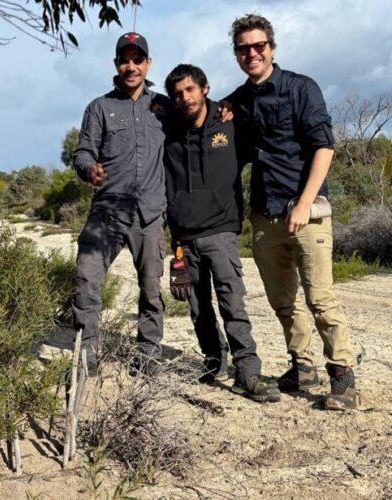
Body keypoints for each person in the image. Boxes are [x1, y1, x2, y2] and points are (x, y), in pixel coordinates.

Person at [227, 14, 357, 410]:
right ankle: (302, 366)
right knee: (283, 301)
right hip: (266, 215)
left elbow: (324, 147)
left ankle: (343, 375)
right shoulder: (238, 101)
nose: (252, 53)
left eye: (259, 45)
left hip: (308, 211)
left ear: (271, 47)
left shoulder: (301, 88)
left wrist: (303, 204)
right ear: (237, 54)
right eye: (244, 48)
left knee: (320, 298)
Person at [163, 64, 281, 403]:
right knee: (198, 307)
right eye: (178, 94)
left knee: (232, 303)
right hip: (184, 237)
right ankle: (214, 362)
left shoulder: (231, 124)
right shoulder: (169, 128)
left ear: (204, 88)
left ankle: (248, 373)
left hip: (221, 232)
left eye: (190, 90)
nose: (185, 98)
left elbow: (264, 140)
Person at [73, 32, 171, 372]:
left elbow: (195, 125)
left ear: (148, 63)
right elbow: (84, 150)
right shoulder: (99, 107)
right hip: (106, 213)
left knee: (151, 290)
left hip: (150, 215)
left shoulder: (164, 106)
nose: (131, 66)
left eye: (137, 59)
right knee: (87, 280)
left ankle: (148, 355)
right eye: (124, 59)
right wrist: (89, 169)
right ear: (116, 64)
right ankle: (86, 355)